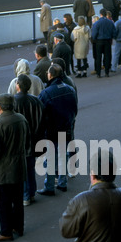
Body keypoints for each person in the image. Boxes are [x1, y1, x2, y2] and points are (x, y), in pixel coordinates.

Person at [0, 93, 30, 242]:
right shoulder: (21, 119)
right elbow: (28, 142)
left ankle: (5, 231)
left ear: (0, 108)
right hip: (19, 167)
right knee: (17, 200)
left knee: (3, 202)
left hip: (3, 170)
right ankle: (18, 227)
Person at [37, 64, 78, 196]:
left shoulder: (46, 93)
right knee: (63, 155)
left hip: (52, 130)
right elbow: (74, 109)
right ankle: (62, 182)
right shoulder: (70, 89)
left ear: (50, 75)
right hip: (66, 127)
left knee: (51, 158)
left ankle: (49, 186)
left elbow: (41, 114)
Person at [14, 74, 45, 206]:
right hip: (34, 140)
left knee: (22, 170)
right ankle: (31, 193)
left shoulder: (14, 101)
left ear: (18, 86)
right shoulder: (36, 101)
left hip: (20, 142)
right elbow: (42, 120)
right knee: (31, 167)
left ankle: (26, 195)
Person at [91, 8, 116, 78]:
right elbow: (114, 32)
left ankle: (98, 73)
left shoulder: (97, 23)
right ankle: (107, 72)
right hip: (107, 41)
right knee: (107, 56)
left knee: (98, 57)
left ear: (100, 14)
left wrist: (95, 39)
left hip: (99, 41)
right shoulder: (110, 22)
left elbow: (94, 34)